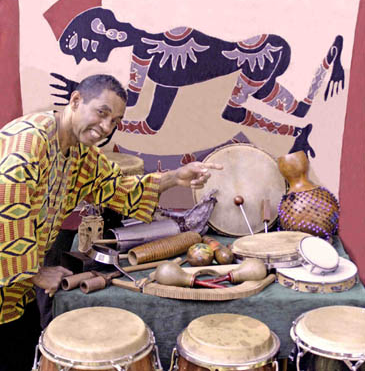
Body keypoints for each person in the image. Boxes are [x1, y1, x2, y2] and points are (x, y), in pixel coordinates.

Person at [0, 74, 222, 371]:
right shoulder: (26, 145)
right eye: (102, 113)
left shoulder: (78, 152)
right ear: (76, 101)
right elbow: (6, 209)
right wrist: (36, 274)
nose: (107, 127)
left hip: (15, 298)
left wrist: (175, 178)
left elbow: (117, 187)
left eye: (115, 121)